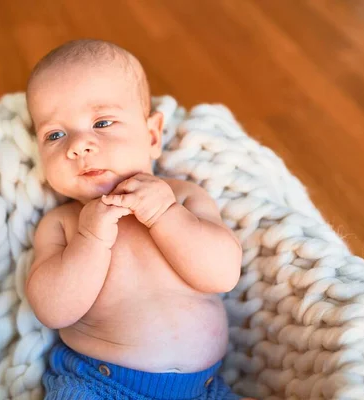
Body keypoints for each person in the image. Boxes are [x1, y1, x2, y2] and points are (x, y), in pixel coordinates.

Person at [25, 39, 248, 400]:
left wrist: (166, 214)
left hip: (205, 390)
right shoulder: (63, 223)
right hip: (99, 384)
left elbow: (222, 274)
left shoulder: (183, 197)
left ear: (152, 135)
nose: (78, 146)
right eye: (55, 134)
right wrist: (90, 240)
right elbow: (53, 310)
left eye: (102, 122)